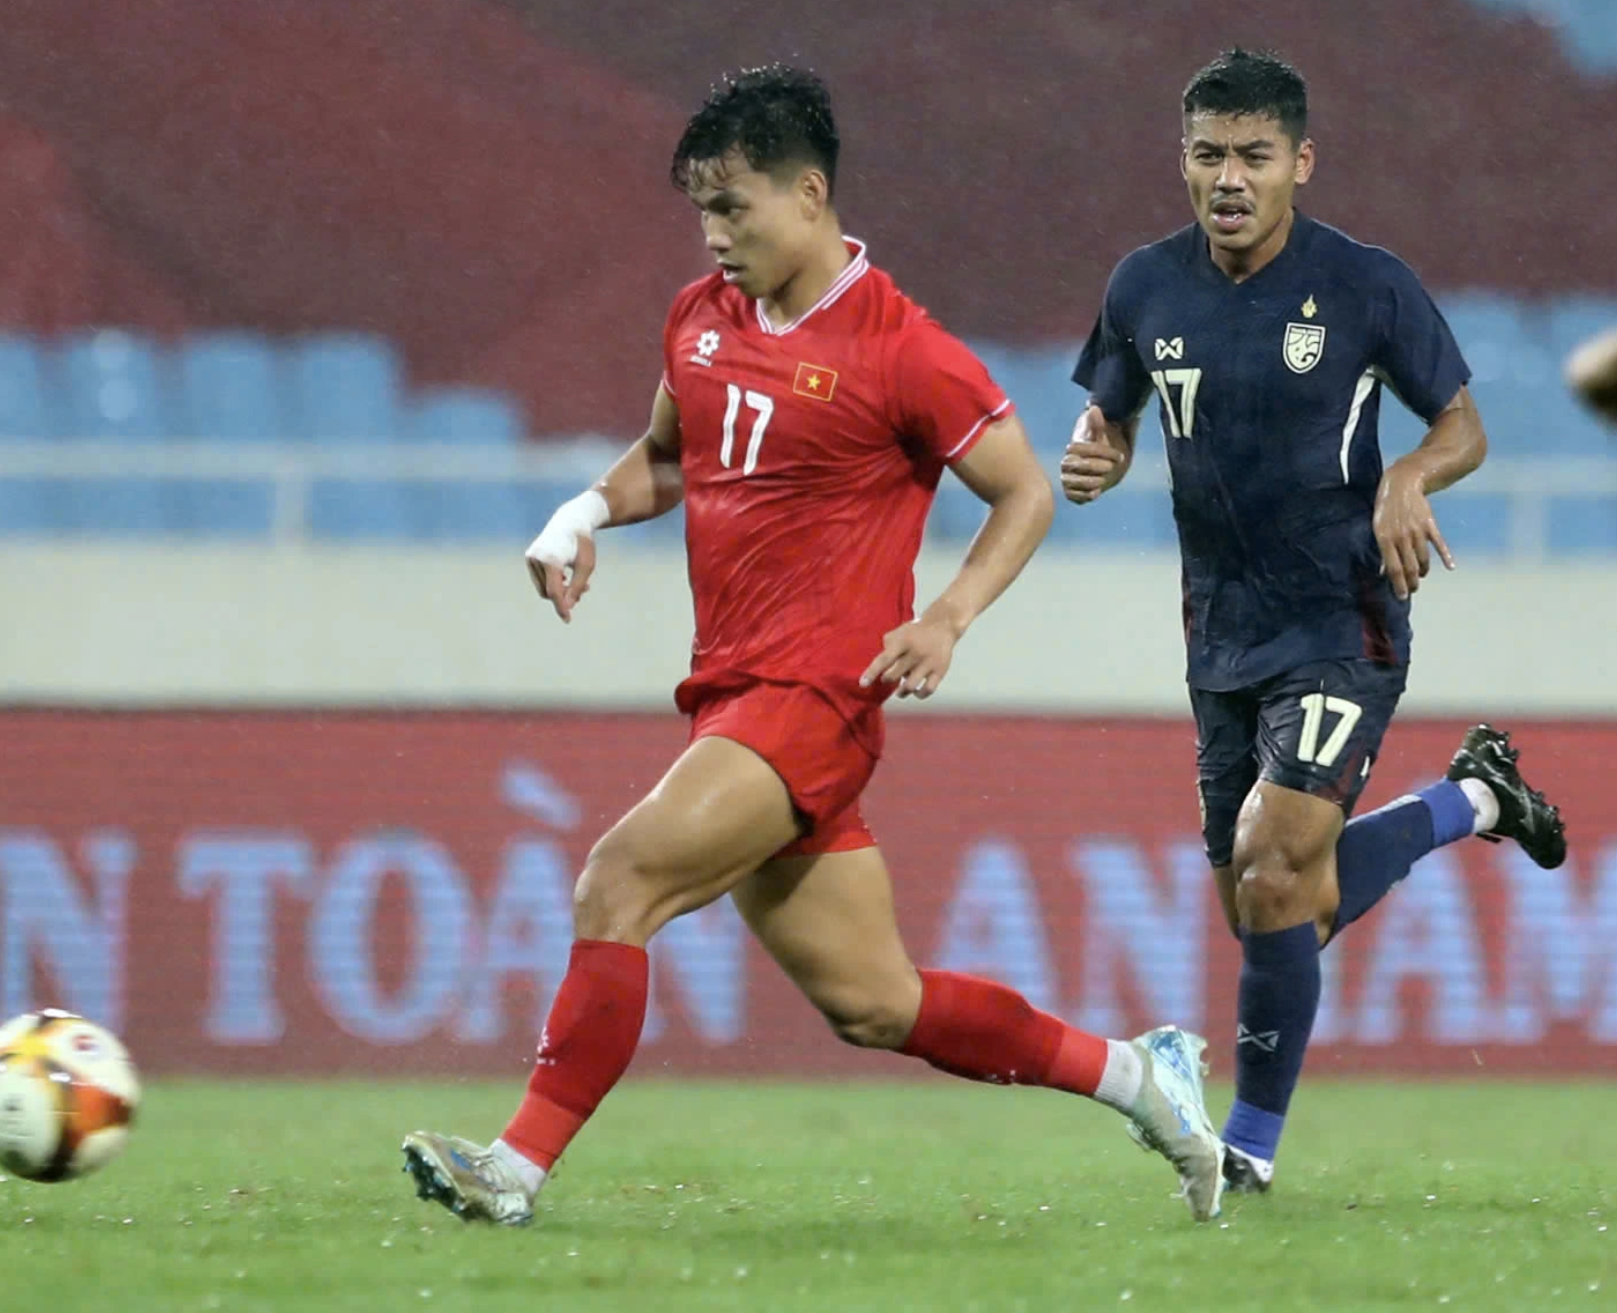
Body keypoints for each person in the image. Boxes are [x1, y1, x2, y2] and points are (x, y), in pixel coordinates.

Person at [402, 65, 1227, 1227]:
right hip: (733, 692)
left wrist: (945, 616)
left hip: (817, 698)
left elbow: (1023, 489)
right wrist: (582, 512)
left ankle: (514, 1168)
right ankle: (1145, 1078)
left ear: (809, 191)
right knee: (876, 1002)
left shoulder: (902, 347)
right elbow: (670, 454)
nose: (714, 233)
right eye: (702, 209)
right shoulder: (699, 318)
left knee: (618, 879)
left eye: (734, 206)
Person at [1060, 48, 1567, 1197]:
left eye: (1253, 156)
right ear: (1181, 161)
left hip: (1345, 612)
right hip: (1219, 630)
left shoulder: (1364, 283)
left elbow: (1463, 424)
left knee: (1274, 865)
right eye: (1208, 155)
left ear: (1300, 162)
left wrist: (1409, 480)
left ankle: (1248, 1153)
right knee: (1273, 904)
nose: (1229, 178)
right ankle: (1476, 797)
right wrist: (1102, 452)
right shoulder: (1144, 284)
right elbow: (1114, 415)